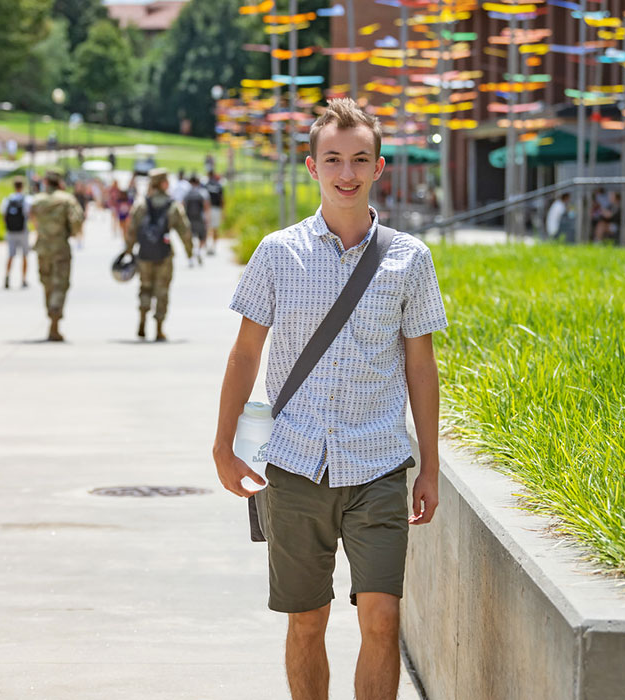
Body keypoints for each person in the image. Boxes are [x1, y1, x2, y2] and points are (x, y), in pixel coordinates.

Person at [213, 98, 448, 700]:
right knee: (307, 620)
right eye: (334, 159)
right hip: (294, 465)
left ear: (379, 167)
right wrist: (223, 446)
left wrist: (431, 467)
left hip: (378, 464)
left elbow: (421, 367)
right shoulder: (276, 253)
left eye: (360, 159)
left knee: (382, 620)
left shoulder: (410, 259)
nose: (347, 173)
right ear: (313, 167)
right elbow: (245, 355)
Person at [124, 168, 192, 342]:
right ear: (164, 183)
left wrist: (129, 250)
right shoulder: (173, 205)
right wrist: (189, 252)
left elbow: (131, 229)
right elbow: (185, 231)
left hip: (145, 254)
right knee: (162, 290)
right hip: (164, 255)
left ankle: (142, 320)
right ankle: (159, 328)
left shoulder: (141, 204)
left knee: (145, 287)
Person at [28, 170, 84, 341]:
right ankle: (55, 317)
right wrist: (72, 233)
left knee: (47, 282)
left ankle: (51, 311)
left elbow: (31, 217)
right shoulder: (66, 199)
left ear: (46, 182)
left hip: (43, 247)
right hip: (60, 247)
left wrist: (41, 230)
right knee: (60, 284)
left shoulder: (38, 200)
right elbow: (77, 220)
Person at [1, 177, 31, 289]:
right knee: (24, 256)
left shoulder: (7, 200)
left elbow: (4, 216)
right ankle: (23, 279)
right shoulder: (27, 200)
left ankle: (7, 276)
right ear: (22, 186)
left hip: (11, 231)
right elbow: (28, 215)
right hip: (23, 230)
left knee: (10, 255)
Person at [183, 175, 210, 264]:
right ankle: (198, 251)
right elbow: (206, 206)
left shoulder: (187, 193)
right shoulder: (202, 192)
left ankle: (191, 257)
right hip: (199, 218)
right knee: (202, 236)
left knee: (189, 237)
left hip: (189, 218)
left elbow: (182, 205)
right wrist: (207, 218)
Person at [203, 167, 224, 255]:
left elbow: (204, 199)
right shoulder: (219, 185)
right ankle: (214, 247)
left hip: (208, 209)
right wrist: (223, 212)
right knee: (215, 229)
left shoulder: (206, 185)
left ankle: (207, 247)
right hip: (217, 209)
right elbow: (222, 200)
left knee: (207, 229)